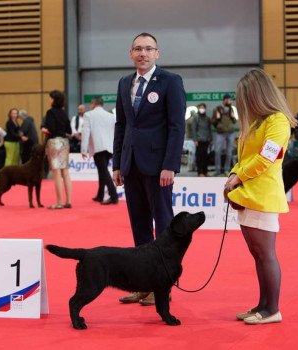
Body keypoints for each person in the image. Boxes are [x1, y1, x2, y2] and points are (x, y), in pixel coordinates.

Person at [113, 32, 186, 305]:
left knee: (164, 227)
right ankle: (144, 283)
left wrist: (170, 165)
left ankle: (163, 286)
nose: (142, 53)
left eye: (148, 49)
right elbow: (122, 125)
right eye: (137, 49)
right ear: (131, 54)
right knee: (139, 226)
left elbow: (177, 127)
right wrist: (117, 163)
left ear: (157, 53)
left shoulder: (170, 81)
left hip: (159, 167)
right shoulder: (123, 83)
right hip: (131, 165)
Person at [225, 68, 297, 325]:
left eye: (244, 97)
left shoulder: (277, 121)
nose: (241, 102)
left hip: (263, 194)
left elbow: (267, 158)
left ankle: (272, 309)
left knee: (266, 254)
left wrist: (238, 176)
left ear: (257, 95)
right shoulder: (257, 122)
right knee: (258, 253)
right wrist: (234, 174)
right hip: (248, 194)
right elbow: (245, 158)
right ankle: (262, 305)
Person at [81, 96, 118, 204]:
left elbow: (85, 133)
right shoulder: (111, 116)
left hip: (98, 147)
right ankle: (100, 194)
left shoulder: (88, 115)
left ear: (93, 104)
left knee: (103, 171)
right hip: (110, 148)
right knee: (102, 171)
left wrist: (84, 150)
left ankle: (113, 195)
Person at [42, 90, 72, 209]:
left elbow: (51, 129)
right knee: (65, 171)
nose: (49, 100)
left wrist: (45, 130)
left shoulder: (50, 112)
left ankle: (59, 202)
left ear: (54, 100)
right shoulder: (64, 113)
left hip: (54, 142)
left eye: (50, 98)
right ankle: (68, 200)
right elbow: (69, 131)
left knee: (56, 173)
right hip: (64, 142)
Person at [212, 94, 239, 176]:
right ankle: (218, 170)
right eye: (228, 100)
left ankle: (227, 170)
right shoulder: (217, 109)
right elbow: (213, 122)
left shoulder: (231, 109)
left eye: (230, 100)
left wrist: (232, 116)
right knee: (217, 151)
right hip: (220, 133)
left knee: (229, 152)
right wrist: (217, 118)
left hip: (230, 133)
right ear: (224, 100)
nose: (230, 101)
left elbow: (234, 121)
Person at [191, 103, 212, 176]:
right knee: (199, 156)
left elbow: (209, 129)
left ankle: (205, 171)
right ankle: (200, 172)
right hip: (199, 140)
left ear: (205, 109)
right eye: (200, 108)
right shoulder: (196, 118)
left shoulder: (207, 118)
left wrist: (210, 138)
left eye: (203, 108)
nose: (202, 109)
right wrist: (195, 139)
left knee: (206, 156)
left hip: (206, 140)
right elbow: (193, 129)